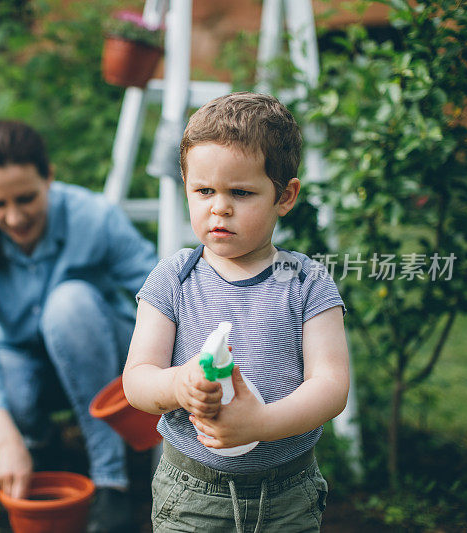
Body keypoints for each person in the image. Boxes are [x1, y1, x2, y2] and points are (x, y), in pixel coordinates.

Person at [122, 92, 350, 532]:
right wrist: (178, 384)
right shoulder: (174, 278)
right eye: (204, 190)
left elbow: (331, 385)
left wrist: (262, 422)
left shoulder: (306, 281)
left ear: (285, 196)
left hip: (288, 495)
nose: (219, 206)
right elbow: (136, 380)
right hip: (192, 495)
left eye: (240, 192)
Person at [0, 120, 157, 532]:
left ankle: (111, 481)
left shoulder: (93, 217)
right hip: (28, 366)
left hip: (100, 355)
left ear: (50, 178)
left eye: (26, 198)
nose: (14, 217)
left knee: (70, 303)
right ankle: (38, 445)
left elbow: (161, 294)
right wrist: (5, 442)